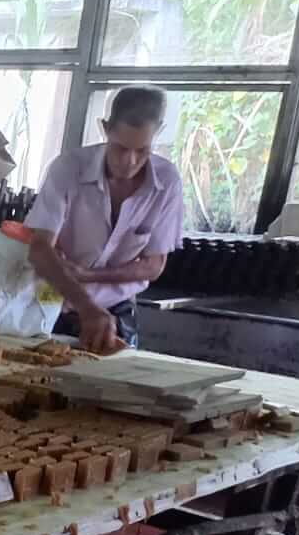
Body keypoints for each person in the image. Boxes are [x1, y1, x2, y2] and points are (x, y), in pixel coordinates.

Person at [22, 85, 183, 354]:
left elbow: (154, 265)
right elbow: (39, 249)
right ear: (106, 128)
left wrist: (89, 274)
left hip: (118, 313)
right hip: (56, 307)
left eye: (142, 150)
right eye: (120, 148)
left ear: (157, 133)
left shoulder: (167, 182)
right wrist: (86, 307)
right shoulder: (69, 168)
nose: (130, 161)